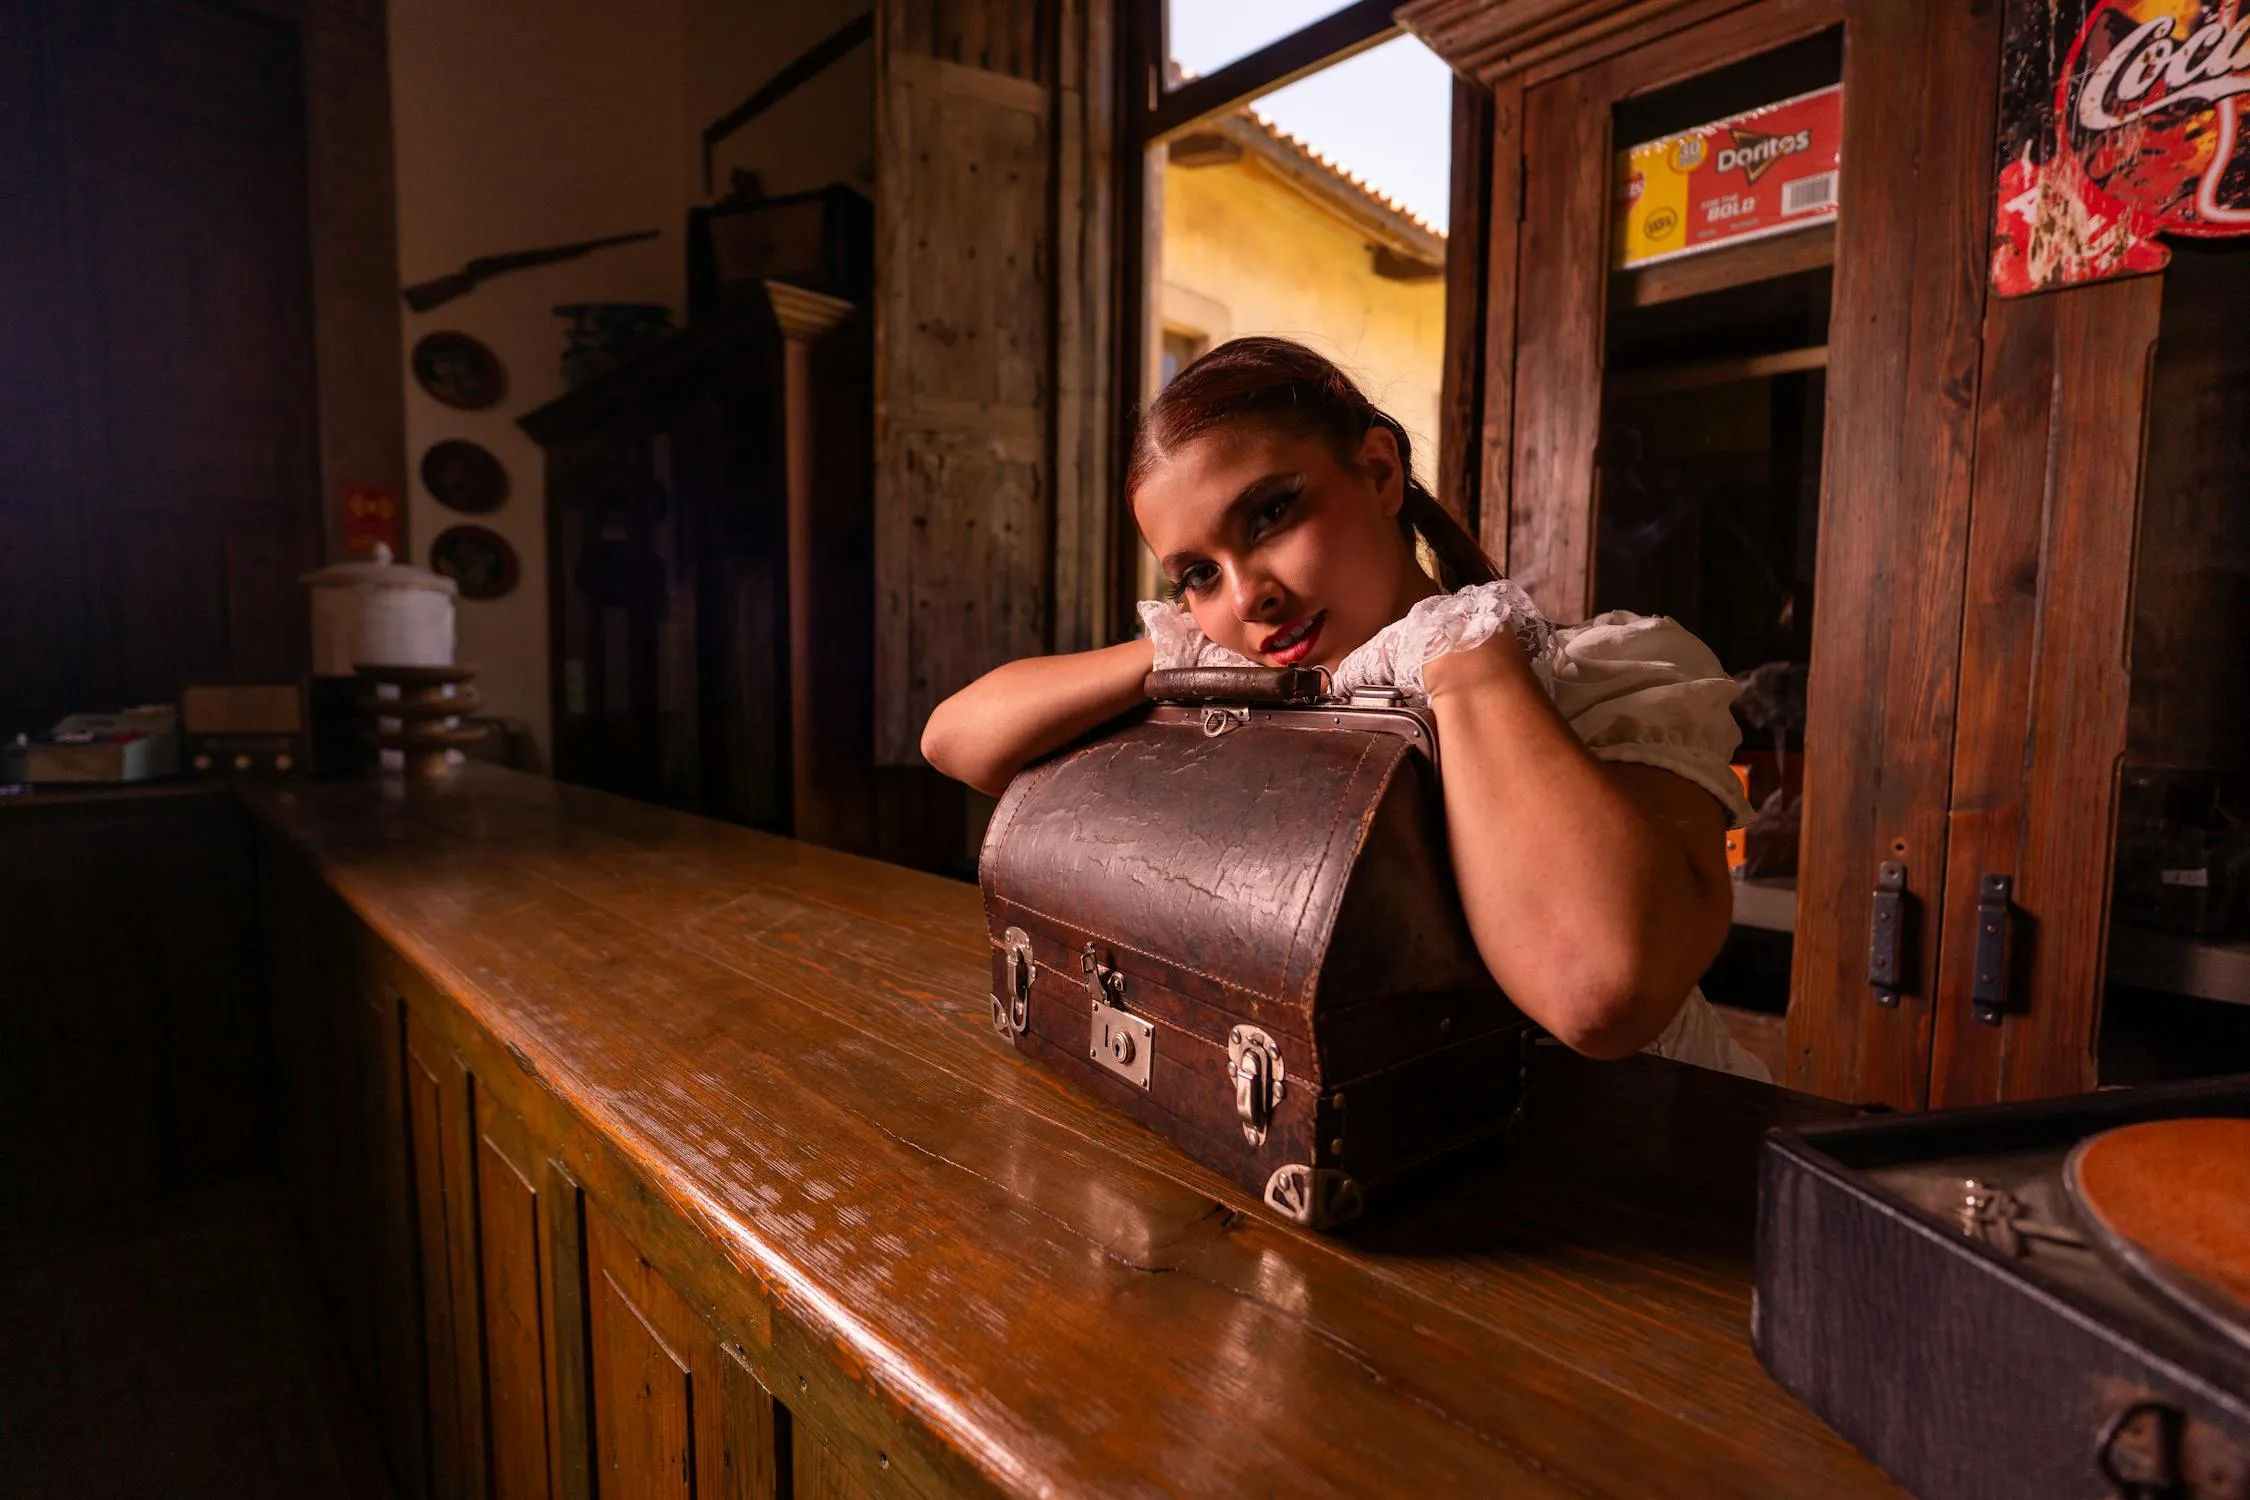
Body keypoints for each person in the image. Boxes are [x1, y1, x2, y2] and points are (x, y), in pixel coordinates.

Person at [921, 337, 1766, 1080]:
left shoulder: (1612, 673)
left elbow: (1599, 993)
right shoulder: (1243, 686)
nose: (1250, 596)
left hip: (1656, 1183)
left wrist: (1458, 651)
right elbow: (955, 741)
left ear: (1378, 471)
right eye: (1198, 573)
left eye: (1271, 514)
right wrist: (1177, 654)